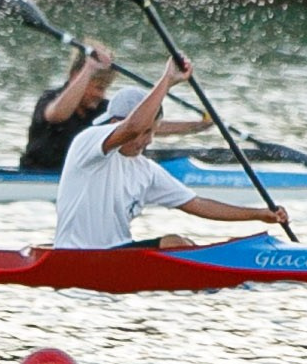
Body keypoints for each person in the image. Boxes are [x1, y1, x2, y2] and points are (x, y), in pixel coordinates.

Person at [53, 58, 288, 249]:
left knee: (181, 244)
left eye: (152, 132)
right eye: (145, 132)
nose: (149, 140)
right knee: (174, 243)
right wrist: (167, 80)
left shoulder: (145, 170)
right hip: (75, 256)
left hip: (116, 254)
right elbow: (133, 126)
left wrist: (258, 214)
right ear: (115, 123)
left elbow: (198, 204)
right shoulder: (89, 143)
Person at [19, 40, 210, 170]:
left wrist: (198, 125)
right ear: (76, 76)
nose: (101, 95)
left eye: (106, 88)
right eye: (98, 87)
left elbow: (142, 126)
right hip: (37, 175)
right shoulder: (50, 100)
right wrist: (90, 67)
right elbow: (59, 114)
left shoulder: (103, 110)